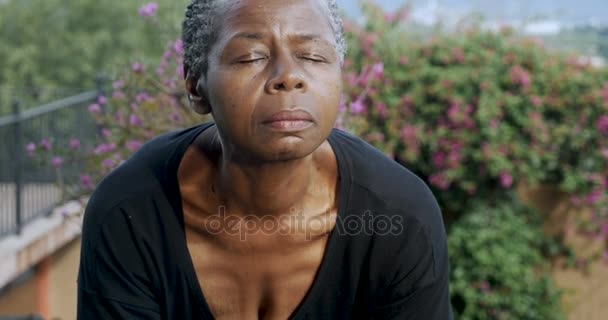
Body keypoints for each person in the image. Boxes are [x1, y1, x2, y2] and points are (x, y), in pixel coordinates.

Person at [77, 0, 454, 319]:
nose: (289, 77)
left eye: (312, 55)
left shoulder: (401, 217)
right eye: (250, 57)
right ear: (196, 86)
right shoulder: (131, 213)